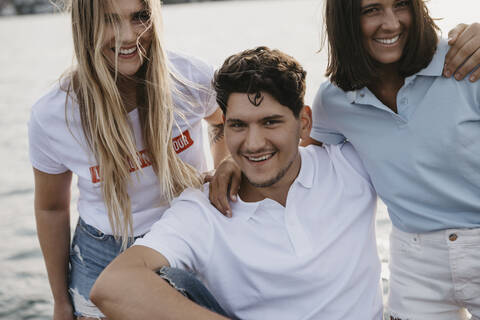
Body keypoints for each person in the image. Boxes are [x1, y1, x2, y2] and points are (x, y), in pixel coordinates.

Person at [90, 46, 384, 320]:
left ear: (304, 122)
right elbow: (113, 285)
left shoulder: (348, 165)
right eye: (239, 125)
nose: (254, 143)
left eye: (270, 122)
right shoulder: (205, 211)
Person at [28, 0, 228, 319]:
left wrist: (223, 169)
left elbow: (222, 123)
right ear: (85, 26)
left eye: (140, 17)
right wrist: (60, 300)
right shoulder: (53, 114)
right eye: (109, 20)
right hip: (102, 252)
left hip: (190, 236)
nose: (128, 35)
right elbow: (51, 208)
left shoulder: (191, 78)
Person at [310, 0, 480, 319]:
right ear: (345, 21)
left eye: (400, 5)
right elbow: (293, 158)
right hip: (416, 263)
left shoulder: (466, 63)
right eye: (371, 10)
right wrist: (232, 164)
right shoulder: (333, 100)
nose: (391, 23)